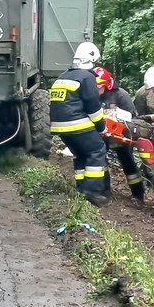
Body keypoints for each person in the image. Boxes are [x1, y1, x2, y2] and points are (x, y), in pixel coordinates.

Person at [50, 42, 111, 206]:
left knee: (81, 154)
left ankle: (81, 188)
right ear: (92, 60)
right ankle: (92, 192)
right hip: (76, 123)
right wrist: (102, 128)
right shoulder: (87, 77)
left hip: (59, 126)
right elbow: (93, 107)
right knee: (97, 149)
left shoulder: (63, 76)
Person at [94, 66, 146, 201]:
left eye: (99, 87)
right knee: (100, 163)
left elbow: (132, 119)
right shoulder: (93, 96)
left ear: (107, 85)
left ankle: (138, 193)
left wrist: (116, 119)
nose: (96, 90)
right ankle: (104, 191)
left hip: (121, 136)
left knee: (128, 162)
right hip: (101, 136)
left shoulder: (121, 95)